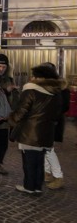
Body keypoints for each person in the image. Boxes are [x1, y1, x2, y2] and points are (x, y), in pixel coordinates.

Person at [8, 64, 63, 194]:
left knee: (29, 162)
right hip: (46, 133)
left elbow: (21, 111)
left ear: (39, 78)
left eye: (34, 76)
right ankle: (37, 187)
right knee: (39, 161)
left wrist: (11, 119)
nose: (31, 78)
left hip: (30, 133)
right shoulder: (56, 93)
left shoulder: (30, 91)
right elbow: (57, 114)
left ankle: (29, 187)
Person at [42, 62, 69, 190]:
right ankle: (47, 173)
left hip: (52, 122)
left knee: (48, 149)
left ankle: (58, 176)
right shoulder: (57, 86)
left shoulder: (56, 88)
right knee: (46, 148)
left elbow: (62, 106)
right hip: (51, 122)